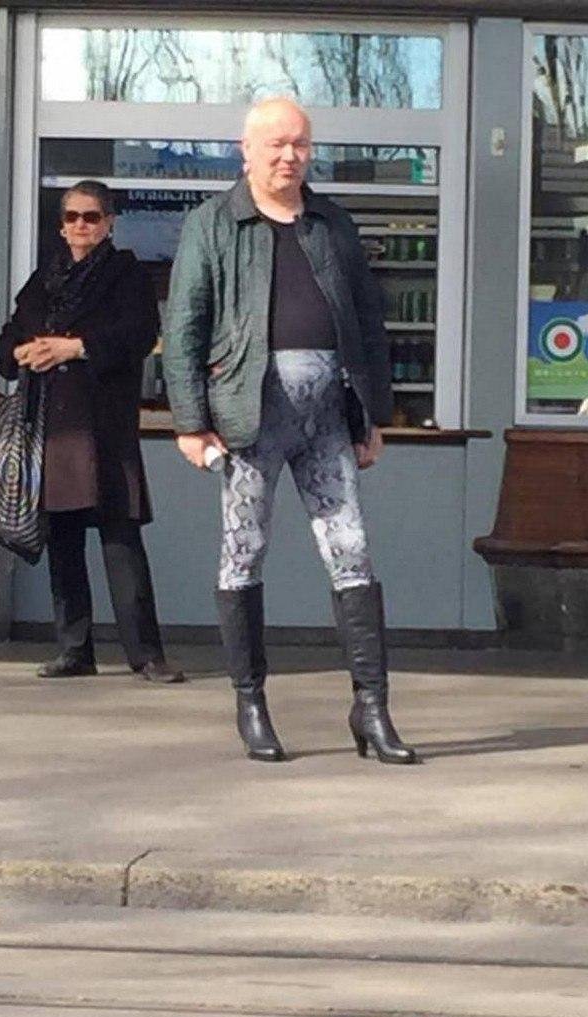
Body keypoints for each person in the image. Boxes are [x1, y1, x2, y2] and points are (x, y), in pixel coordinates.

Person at [164, 98, 416, 763]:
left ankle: (372, 707)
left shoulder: (332, 223)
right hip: (249, 416)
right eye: (276, 144)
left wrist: (374, 415)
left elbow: (367, 323)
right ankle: (251, 702)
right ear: (245, 150)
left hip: (329, 414)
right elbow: (183, 327)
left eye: (300, 144)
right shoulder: (212, 223)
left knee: (352, 550)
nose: (289, 156)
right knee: (243, 552)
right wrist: (190, 422)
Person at [0, 180, 183, 684]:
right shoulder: (45, 277)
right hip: (52, 426)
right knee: (63, 540)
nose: (81, 225)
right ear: (61, 226)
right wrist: (22, 352)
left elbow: (139, 335)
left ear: (109, 223)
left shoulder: (126, 275)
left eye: (92, 216)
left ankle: (146, 655)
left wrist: (74, 347)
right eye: (72, 217)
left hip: (103, 424)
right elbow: (10, 334)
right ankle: (74, 649)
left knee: (120, 538)